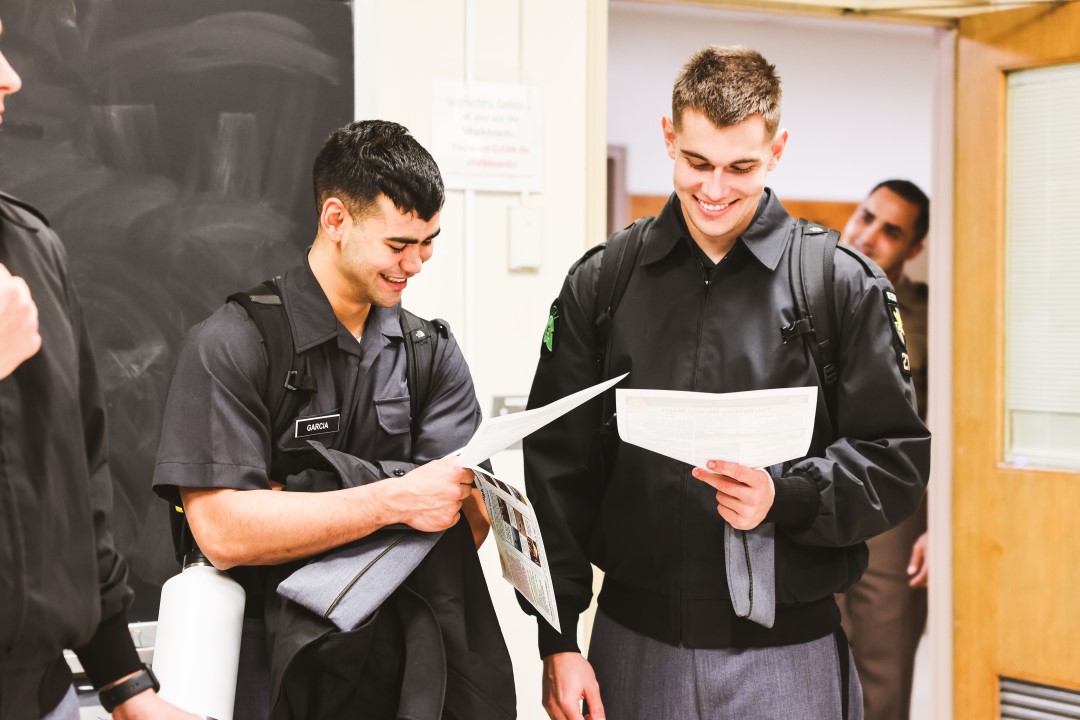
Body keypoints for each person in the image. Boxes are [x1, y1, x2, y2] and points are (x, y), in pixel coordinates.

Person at [521, 46, 930, 720]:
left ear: (777, 150)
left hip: (787, 654)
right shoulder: (603, 280)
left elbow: (896, 462)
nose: (714, 190)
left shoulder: (841, 285)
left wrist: (788, 494)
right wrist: (558, 637)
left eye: (740, 168)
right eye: (696, 162)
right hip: (633, 644)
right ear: (668, 137)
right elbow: (556, 468)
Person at [152, 120, 514, 720]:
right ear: (336, 219)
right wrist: (395, 497)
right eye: (398, 244)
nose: (416, 263)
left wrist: (290, 500)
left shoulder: (430, 355)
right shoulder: (234, 344)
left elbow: (461, 519)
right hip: (265, 664)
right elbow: (223, 532)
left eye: (429, 242)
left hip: (400, 666)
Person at [0, 21, 199, 720]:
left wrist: (123, 683)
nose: (10, 78)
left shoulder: (31, 247)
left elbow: (80, 477)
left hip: (45, 696)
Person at [839, 179, 930, 720]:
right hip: (810, 502)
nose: (868, 235)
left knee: (882, 674)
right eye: (866, 216)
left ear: (914, 248)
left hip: (894, 520)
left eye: (891, 231)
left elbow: (956, 428)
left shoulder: (931, 318)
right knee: (803, 672)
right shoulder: (802, 290)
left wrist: (943, 530)